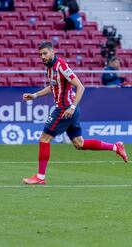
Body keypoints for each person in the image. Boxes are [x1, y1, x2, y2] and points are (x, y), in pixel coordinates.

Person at [22, 42, 128, 185]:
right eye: (40, 54)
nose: (42, 57)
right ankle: (116, 147)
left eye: (45, 53)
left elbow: (80, 86)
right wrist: (34, 96)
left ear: (53, 52)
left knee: (44, 139)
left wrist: (71, 107)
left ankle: (40, 178)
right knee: (79, 143)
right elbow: (53, 87)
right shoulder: (50, 68)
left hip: (65, 109)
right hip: (69, 109)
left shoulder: (61, 66)